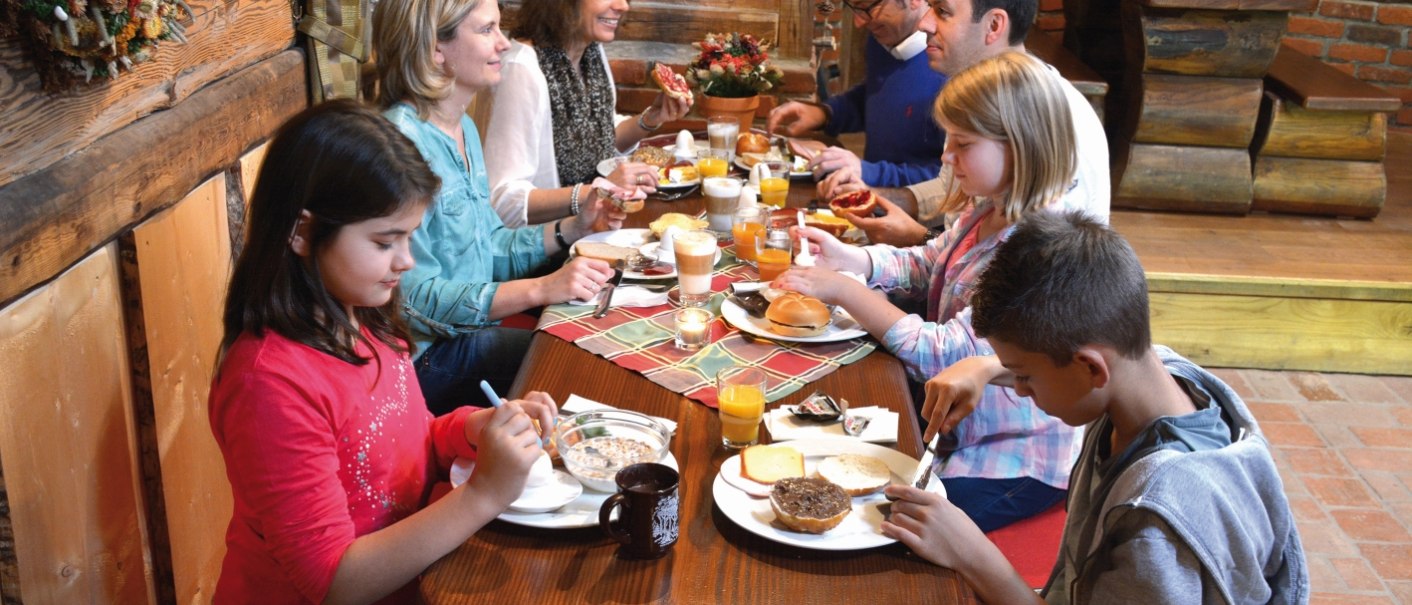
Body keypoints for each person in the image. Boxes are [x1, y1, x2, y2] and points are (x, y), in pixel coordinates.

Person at [209, 99, 558, 604]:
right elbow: (334, 583)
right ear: (303, 232)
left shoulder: (363, 317)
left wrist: (471, 429)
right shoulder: (268, 382)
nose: (406, 261)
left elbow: (407, 447)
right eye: (384, 241)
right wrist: (484, 494)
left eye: (410, 237)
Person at [883, 211, 1309, 604]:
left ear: (1090, 367)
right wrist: (989, 367)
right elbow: (1083, 370)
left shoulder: (1155, 533)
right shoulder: (1158, 375)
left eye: (1025, 377)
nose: (1022, 391)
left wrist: (973, 554)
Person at [773, 51, 1081, 532]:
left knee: (884, 523)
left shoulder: (1040, 245)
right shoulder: (988, 207)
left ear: (1019, 145)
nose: (945, 157)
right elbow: (929, 262)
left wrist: (845, 292)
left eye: (962, 143)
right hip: (955, 430)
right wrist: (853, 260)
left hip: (1009, 458)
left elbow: (944, 355)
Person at [375, 0, 628, 414]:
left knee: (596, 340)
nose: (504, 44)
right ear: (435, 48)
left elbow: (488, 246)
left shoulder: (463, 127)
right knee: (583, 361)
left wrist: (574, 227)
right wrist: (542, 288)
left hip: (469, 335)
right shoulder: (396, 143)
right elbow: (410, 300)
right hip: (421, 361)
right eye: (487, 30)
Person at [828, 0, 1110, 247]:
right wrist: (885, 198)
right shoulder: (980, 95)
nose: (925, 23)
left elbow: (1024, 275)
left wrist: (917, 237)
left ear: (994, 25)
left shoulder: (1052, 116)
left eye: (942, 11)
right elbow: (950, 193)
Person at [472, 0, 694, 227]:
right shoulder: (522, 70)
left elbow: (599, 140)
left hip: (593, 229)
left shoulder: (591, 54)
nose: (623, 6)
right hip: (545, 250)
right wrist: (595, 192)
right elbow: (502, 200)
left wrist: (650, 119)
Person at [765, 0, 946, 190]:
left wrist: (867, 171)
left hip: (913, 215)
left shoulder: (952, 64)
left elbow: (949, 183)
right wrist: (826, 114)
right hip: (870, 199)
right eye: (853, 7)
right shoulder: (884, 36)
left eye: (867, 7)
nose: (858, 22)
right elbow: (879, 95)